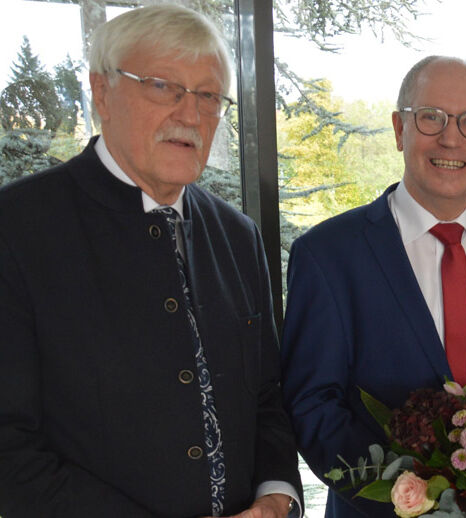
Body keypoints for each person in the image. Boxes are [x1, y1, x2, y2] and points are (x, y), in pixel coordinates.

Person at [0, 5, 302, 517]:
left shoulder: (238, 234)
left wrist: (276, 497)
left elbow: (265, 397)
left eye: (208, 95)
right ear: (101, 93)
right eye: (163, 86)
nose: (190, 114)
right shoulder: (17, 227)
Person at [280, 55, 466, 517]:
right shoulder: (327, 254)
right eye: (431, 117)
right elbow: (315, 405)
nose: (451, 137)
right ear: (400, 129)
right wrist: (418, 499)